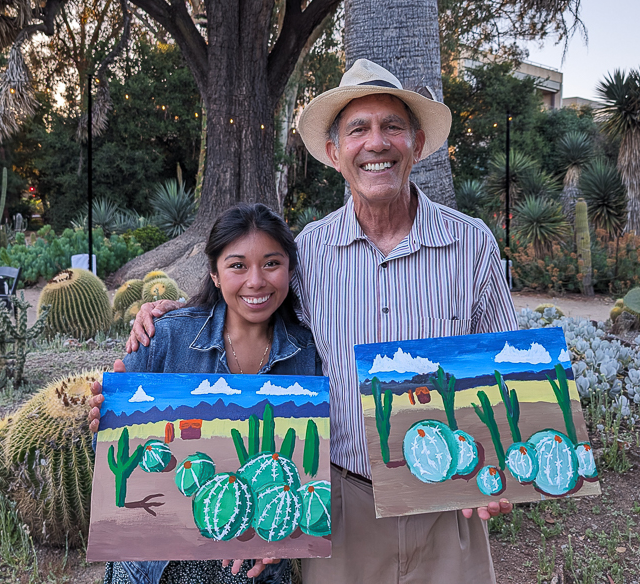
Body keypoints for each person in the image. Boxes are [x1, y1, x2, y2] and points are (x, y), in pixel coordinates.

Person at [126, 59, 518, 583]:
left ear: (417, 144)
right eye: (358, 129)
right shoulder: (309, 251)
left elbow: (506, 367)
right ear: (335, 153)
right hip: (341, 507)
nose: (375, 143)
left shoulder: (472, 244)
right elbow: (255, 309)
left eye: (392, 127)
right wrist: (175, 314)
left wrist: (503, 468)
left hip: (447, 503)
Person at [88, 203, 322, 584]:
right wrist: (104, 422)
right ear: (214, 273)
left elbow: (302, 480)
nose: (256, 281)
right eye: (237, 266)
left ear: (290, 271)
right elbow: (113, 453)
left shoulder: (309, 355)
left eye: (271, 263)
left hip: (251, 571)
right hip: (155, 567)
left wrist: (283, 535)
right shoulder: (163, 335)